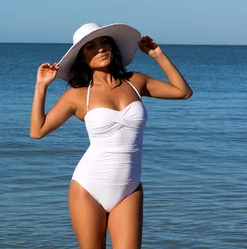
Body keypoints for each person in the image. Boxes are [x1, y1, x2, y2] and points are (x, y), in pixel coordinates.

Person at [29, 23, 192, 249]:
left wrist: (158, 55)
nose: (100, 49)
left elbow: (183, 92)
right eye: (91, 46)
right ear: (82, 57)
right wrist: (41, 86)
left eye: (104, 42)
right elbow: (37, 131)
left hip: (129, 187)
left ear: (113, 47)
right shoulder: (76, 95)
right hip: (88, 186)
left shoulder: (135, 82)